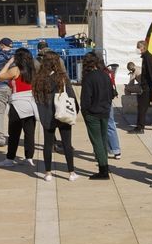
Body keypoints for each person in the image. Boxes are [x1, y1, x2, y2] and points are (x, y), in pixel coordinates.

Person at [33, 50, 79, 181]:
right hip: (63, 113)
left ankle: (48, 173)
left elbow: (37, 99)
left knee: (47, 145)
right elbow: (71, 95)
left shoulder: (38, 79)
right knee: (67, 144)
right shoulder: (62, 77)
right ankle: (71, 172)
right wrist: (75, 110)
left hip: (47, 115)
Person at [0, 48, 38, 167]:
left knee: (14, 132)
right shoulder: (34, 70)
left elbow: (0, 76)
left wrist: (9, 63)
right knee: (29, 132)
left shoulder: (15, 69)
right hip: (31, 101)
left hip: (17, 102)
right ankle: (29, 157)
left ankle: (10, 158)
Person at [80, 53, 114, 181]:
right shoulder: (105, 75)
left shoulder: (88, 78)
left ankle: (103, 169)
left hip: (93, 113)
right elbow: (111, 93)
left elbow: (85, 99)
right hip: (105, 111)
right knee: (103, 139)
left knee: (97, 141)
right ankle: (104, 165)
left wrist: (85, 112)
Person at [134, 40, 152, 133]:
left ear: (143, 47)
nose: (137, 49)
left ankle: (140, 127)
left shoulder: (148, 58)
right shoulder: (146, 57)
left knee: (142, 107)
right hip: (148, 87)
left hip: (148, 88)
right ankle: (140, 126)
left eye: (138, 47)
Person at [104, 64, 122, 160]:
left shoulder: (101, 74)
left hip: (100, 103)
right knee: (111, 125)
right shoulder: (109, 73)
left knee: (103, 127)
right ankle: (116, 150)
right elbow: (113, 86)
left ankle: (105, 150)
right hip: (108, 101)